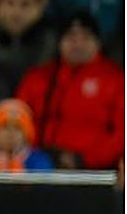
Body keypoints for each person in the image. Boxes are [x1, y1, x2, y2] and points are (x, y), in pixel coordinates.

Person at [14, 10, 124, 170]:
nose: (78, 44)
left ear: (98, 43)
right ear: (60, 42)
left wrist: (84, 159)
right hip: (37, 168)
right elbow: (16, 121)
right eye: (71, 38)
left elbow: (122, 133)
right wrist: (35, 156)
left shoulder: (116, 80)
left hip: (95, 173)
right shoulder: (37, 78)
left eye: (86, 38)